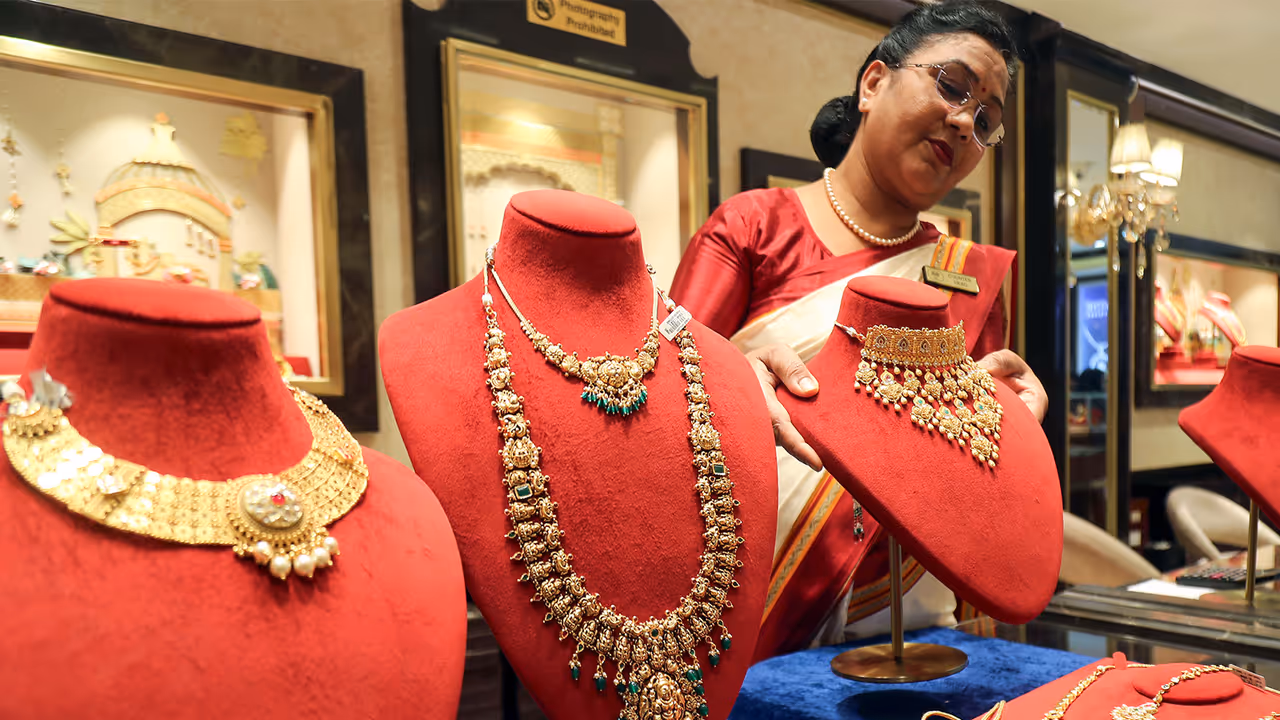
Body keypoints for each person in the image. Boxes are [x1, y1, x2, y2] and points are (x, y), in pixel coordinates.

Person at [669, 0, 1048, 661]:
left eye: (987, 120)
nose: (965, 121)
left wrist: (1011, 436)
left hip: (920, 625)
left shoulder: (971, 275)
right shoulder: (755, 227)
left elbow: (971, 482)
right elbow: (661, 400)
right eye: (952, 86)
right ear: (873, 83)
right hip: (756, 614)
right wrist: (733, 373)